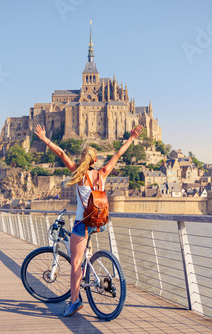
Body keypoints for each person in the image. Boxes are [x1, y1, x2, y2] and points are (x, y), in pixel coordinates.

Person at [33, 124, 144, 317]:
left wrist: (44, 139)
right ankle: (88, 267)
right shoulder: (102, 174)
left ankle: (74, 301)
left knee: (75, 264)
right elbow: (117, 155)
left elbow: (61, 153)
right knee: (83, 255)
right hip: (97, 223)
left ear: (84, 159)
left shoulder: (79, 174)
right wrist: (132, 137)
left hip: (82, 224)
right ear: (95, 160)